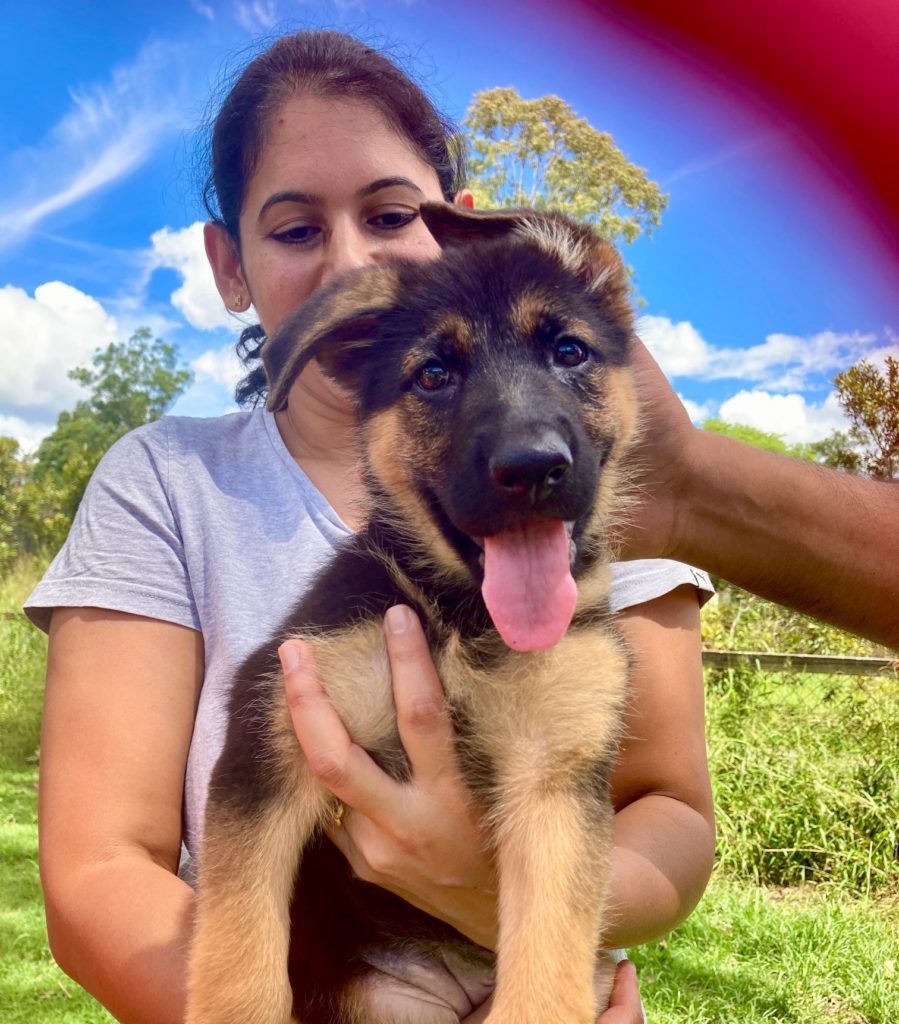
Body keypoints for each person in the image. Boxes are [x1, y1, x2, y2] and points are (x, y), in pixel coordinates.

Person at [28, 31, 717, 1024]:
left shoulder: (613, 500)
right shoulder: (165, 482)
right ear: (229, 265)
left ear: (455, 222)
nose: (350, 261)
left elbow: (669, 811)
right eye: (296, 229)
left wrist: (509, 916)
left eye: (390, 213)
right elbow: (99, 869)